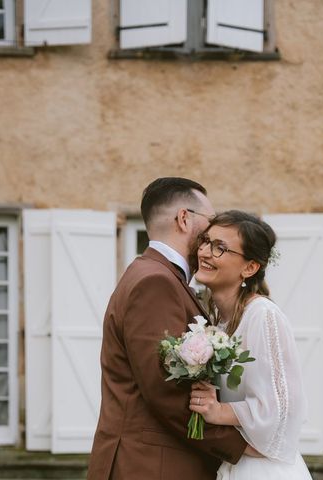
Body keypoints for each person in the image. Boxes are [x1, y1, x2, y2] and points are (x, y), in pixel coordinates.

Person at [87, 178, 253, 480]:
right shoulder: (156, 281)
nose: (213, 232)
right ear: (184, 218)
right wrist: (242, 447)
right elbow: (165, 392)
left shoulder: (158, 276)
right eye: (210, 221)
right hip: (151, 466)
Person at [189, 210, 312, 480]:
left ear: (250, 267)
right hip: (233, 463)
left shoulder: (262, 315)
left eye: (220, 248)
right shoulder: (220, 320)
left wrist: (219, 411)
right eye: (206, 241)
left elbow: (282, 411)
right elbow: (240, 391)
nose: (205, 252)